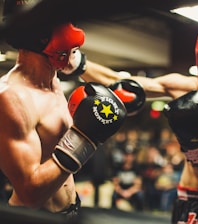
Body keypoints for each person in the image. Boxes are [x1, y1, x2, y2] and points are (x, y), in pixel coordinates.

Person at [81, 29, 198, 223]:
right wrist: (73, 61)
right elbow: (118, 83)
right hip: (185, 198)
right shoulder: (186, 88)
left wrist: (196, 145)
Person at [0, 0, 127, 221]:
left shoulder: (54, 79)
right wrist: (85, 138)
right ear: (40, 34)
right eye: (61, 22)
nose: (72, 29)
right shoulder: (12, 98)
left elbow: (105, 75)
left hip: (70, 210)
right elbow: (30, 193)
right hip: (35, 217)